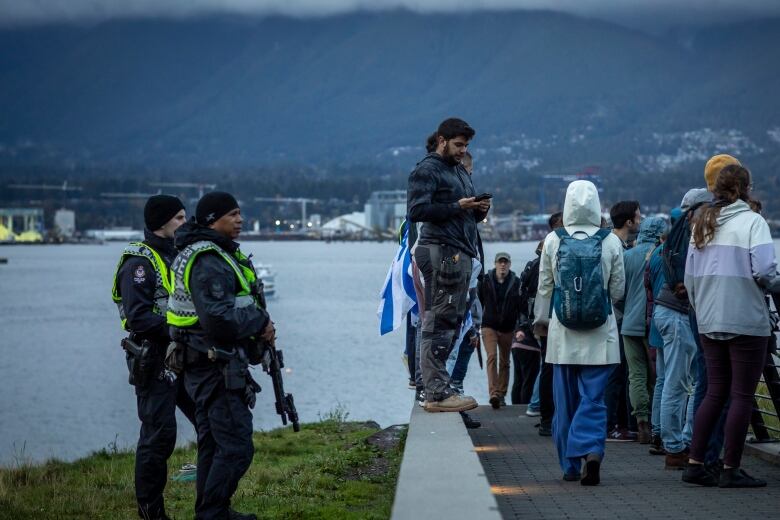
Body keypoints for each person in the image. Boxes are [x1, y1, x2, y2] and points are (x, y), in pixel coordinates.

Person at [167, 192, 275, 519]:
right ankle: (213, 514)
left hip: (205, 363)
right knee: (238, 448)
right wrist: (261, 322)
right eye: (233, 215)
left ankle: (213, 511)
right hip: (213, 365)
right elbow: (218, 320)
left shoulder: (212, 252)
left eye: (240, 214)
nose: (240, 220)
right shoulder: (208, 260)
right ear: (213, 220)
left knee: (213, 445)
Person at [682, 164, 774, 488]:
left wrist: (701, 308)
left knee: (714, 393)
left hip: (709, 320)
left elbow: (689, 278)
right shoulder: (753, 222)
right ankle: (730, 468)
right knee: (742, 395)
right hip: (746, 319)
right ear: (746, 187)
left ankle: (694, 463)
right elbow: (765, 271)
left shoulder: (701, 223)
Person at [111, 194, 197, 520]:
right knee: (159, 436)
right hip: (154, 358)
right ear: (161, 223)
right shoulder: (138, 265)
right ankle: (151, 513)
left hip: (184, 357)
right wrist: (183, 328)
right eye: (178, 219)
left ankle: (214, 504)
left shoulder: (178, 256)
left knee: (213, 422)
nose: (184, 224)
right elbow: (138, 318)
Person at [535, 180, 625, 485]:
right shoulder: (611, 241)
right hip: (602, 334)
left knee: (565, 402)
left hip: (563, 335)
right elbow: (618, 289)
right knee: (594, 399)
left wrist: (540, 321)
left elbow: (545, 286)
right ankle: (591, 449)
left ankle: (570, 466)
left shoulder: (552, 240)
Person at [407, 117, 490, 412]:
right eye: (457, 144)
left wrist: (478, 211)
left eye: (465, 145)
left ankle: (440, 387)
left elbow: (462, 214)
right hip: (441, 251)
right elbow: (417, 210)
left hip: (458, 251)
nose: (461, 150)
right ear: (442, 140)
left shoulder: (459, 171)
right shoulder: (427, 169)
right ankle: (436, 393)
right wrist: (458, 206)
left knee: (450, 324)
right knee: (439, 322)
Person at [619, 216, 666, 444]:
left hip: (629, 324)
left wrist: (626, 308)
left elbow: (617, 292)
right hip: (654, 323)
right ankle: (657, 422)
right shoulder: (661, 255)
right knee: (657, 374)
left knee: (635, 374)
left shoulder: (627, 256)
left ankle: (641, 422)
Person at [605, 201, 642, 441]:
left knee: (615, 374)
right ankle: (612, 426)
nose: (641, 219)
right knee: (616, 375)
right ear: (628, 222)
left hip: (611, 317)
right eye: (638, 216)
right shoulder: (615, 247)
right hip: (616, 318)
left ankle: (615, 424)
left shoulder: (613, 243)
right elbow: (615, 289)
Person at [530, 211, 563, 436]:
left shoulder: (546, 248)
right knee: (551, 368)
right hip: (553, 318)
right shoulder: (555, 247)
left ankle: (547, 416)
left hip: (547, 318)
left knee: (548, 367)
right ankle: (548, 417)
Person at [479, 252, 522, 408]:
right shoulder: (485, 281)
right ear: (495, 264)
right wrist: (476, 323)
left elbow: (520, 307)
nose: (502, 265)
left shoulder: (516, 282)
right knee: (492, 357)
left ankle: (502, 394)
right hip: (488, 325)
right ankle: (494, 394)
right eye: (500, 262)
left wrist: (520, 328)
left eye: (505, 262)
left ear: (509, 264)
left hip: (508, 327)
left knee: (505, 361)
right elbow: (478, 303)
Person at [512, 241, 543, 406]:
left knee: (519, 377)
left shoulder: (530, 267)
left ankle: (518, 406)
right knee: (531, 376)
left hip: (520, 334)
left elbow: (520, 302)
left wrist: (519, 327)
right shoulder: (540, 268)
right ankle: (531, 404)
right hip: (531, 334)